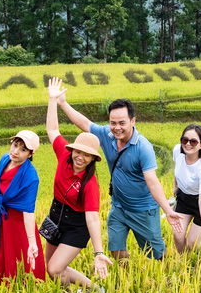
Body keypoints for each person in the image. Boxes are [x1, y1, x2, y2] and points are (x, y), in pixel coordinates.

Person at [56, 93, 182, 260]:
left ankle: (170, 276)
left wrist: (167, 209)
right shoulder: (107, 135)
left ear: (132, 121)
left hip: (143, 210)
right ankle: (126, 278)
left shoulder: (143, 147)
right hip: (118, 207)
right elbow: (85, 124)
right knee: (115, 250)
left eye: (122, 123)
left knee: (156, 253)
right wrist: (63, 103)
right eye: (112, 123)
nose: (117, 127)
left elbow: (152, 180)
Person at [45, 78, 113, 291]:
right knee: (51, 269)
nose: (80, 157)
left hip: (77, 225)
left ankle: (94, 289)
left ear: (93, 159)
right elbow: (52, 130)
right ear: (72, 150)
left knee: (55, 268)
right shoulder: (63, 155)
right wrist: (52, 100)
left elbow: (92, 218)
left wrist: (98, 252)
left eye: (87, 155)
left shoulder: (90, 184)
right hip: (56, 215)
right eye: (78, 152)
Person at [0, 129, 46, 283]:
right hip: (2, 218)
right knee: (1, 254)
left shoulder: (31, 177)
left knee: (19, 257)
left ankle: (25, 292)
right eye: (15, 145)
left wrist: (32, 241)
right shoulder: (4, 159)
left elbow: (28, 211)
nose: (16, 151)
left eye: (23, 149)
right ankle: (0, 288)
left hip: (18, 223)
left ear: (30, 154)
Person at [170, 124, 201, 253]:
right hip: (184, 198)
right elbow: (177, 168)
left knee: (192, 243)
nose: (188, 144)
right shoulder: (177, 151)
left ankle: (196, 264)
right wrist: (176, 187)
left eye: (193, 141)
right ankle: (183, 260)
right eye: (184, 140)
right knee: (178, 235)